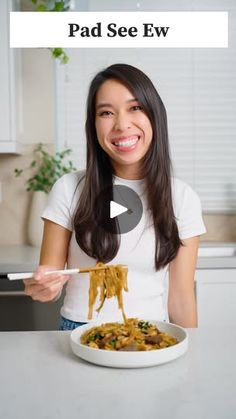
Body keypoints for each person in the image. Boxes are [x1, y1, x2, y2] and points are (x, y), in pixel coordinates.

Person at [24, 63, 206, 330]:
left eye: (135, 108)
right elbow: (50, 279)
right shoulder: (68, 188)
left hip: (153, 333)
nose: (122, 125)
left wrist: (192, 357)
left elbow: (180, 299)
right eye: (106, 112)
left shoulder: (182, 198)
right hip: (79, 330)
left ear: (155, 115)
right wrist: (43, 287)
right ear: (94, 125)